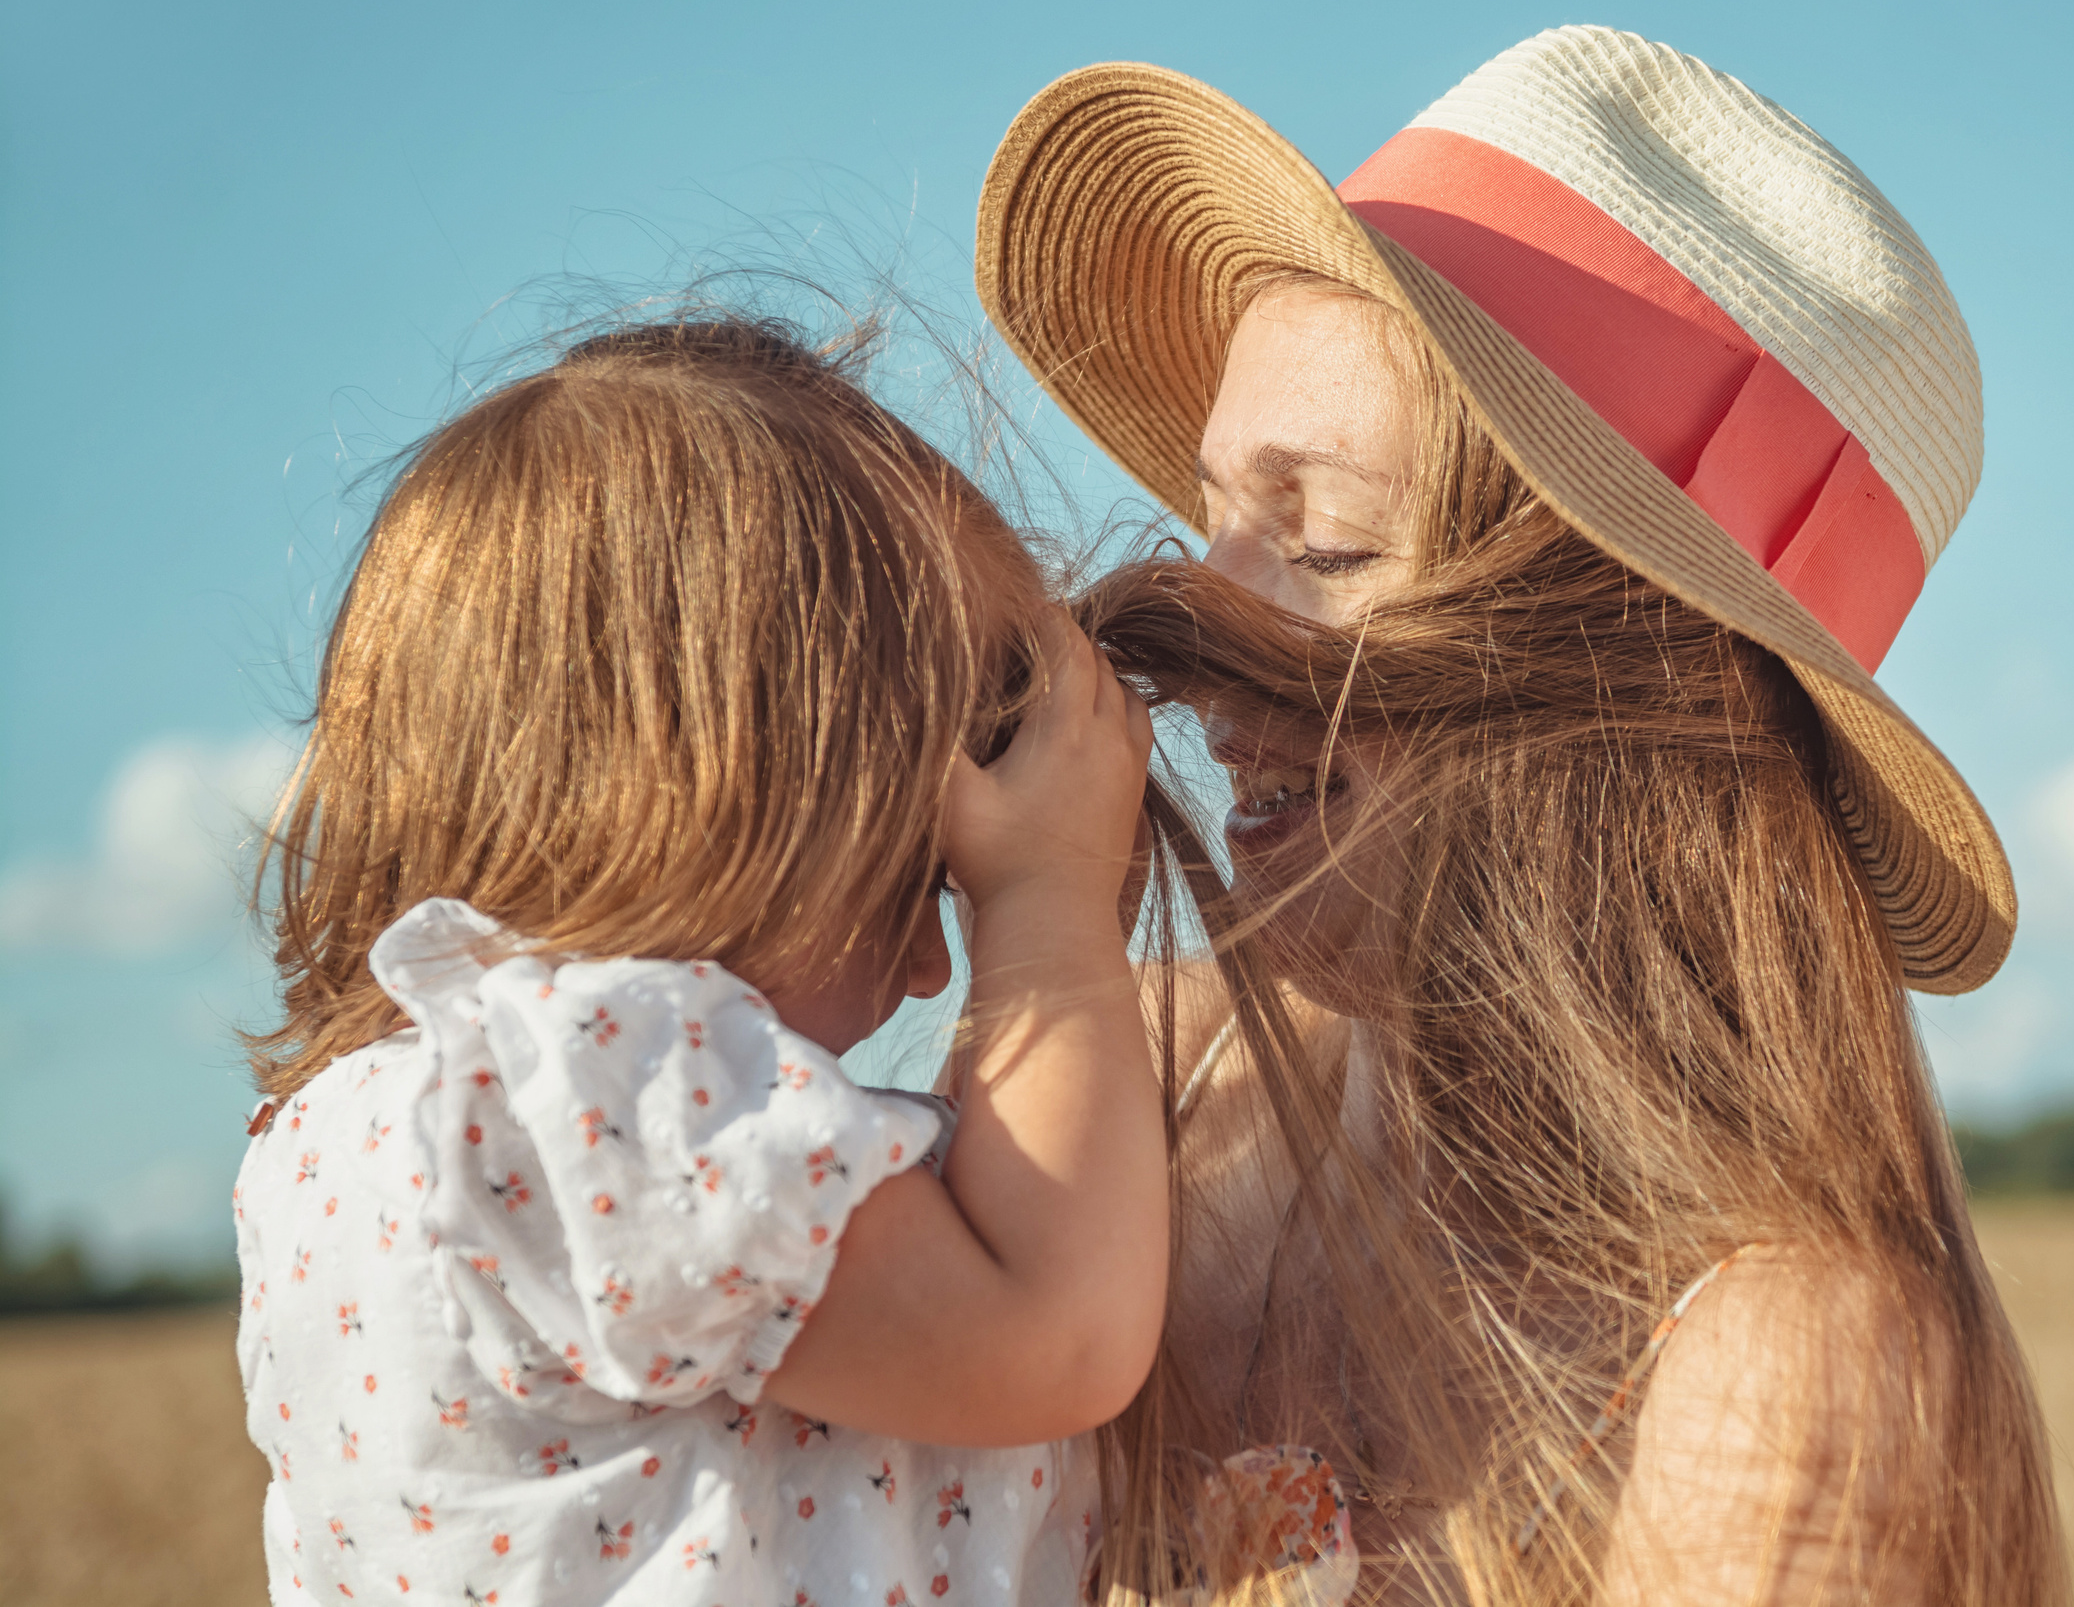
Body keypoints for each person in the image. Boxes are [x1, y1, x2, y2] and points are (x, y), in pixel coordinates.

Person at [978, 28, 2071, 1603]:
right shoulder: (1114, 1098)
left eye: (1332, 545)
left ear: (1627, 690)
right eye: (1208, 523)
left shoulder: (1787, 1383)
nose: (1175, 646)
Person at [229, 316, 1295, 1607]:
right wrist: (1051, 918)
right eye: (926, 870)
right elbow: (1050, 1337)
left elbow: (966, 1247)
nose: (928, 969)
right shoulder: (601, 1082)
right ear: (734, 781)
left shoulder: (371, 1129)